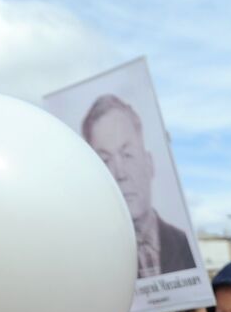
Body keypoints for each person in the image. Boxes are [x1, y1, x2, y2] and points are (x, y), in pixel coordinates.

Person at [81, 93, 196, 278]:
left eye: (127, 155)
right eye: (104, 160)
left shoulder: (185, 246)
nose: (120, 174)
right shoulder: (90, 266)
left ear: (148, 163)